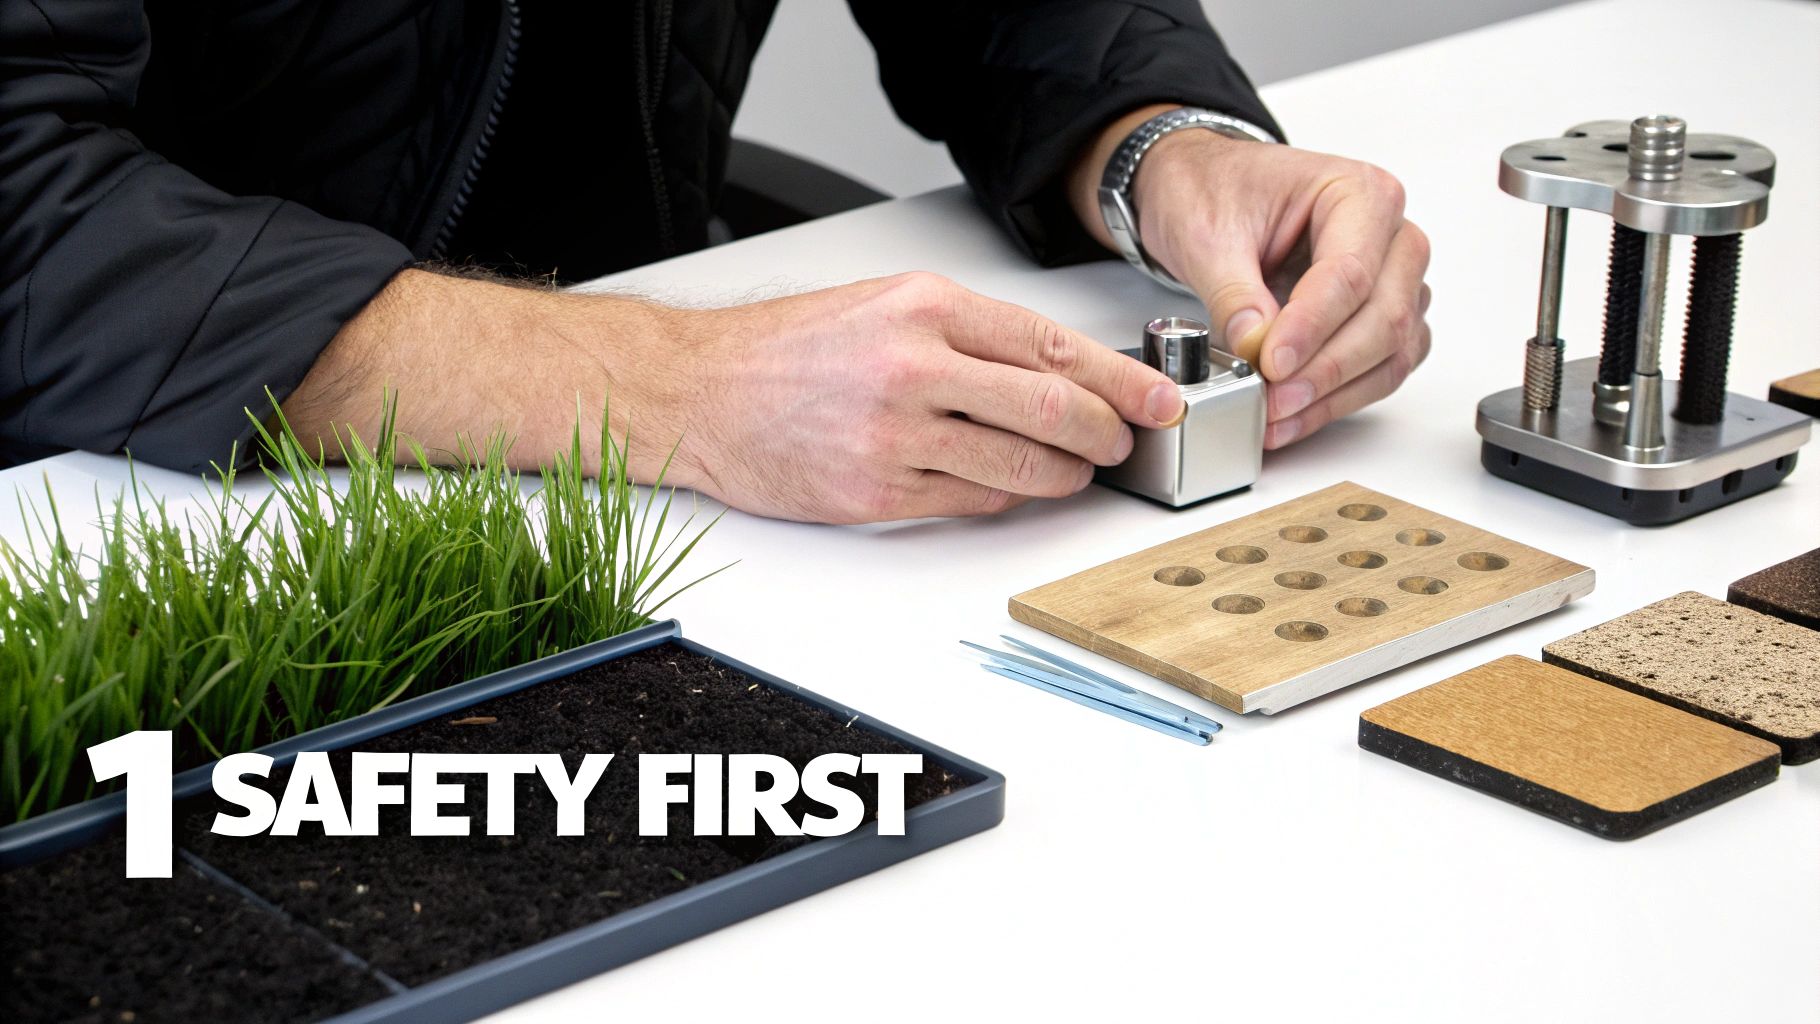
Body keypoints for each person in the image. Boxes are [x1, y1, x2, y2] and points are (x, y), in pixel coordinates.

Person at [0, 1, 1431, 524]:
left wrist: (1159, 151)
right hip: (142, 487)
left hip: (701, 515)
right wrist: (670, 383)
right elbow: (25, 211)